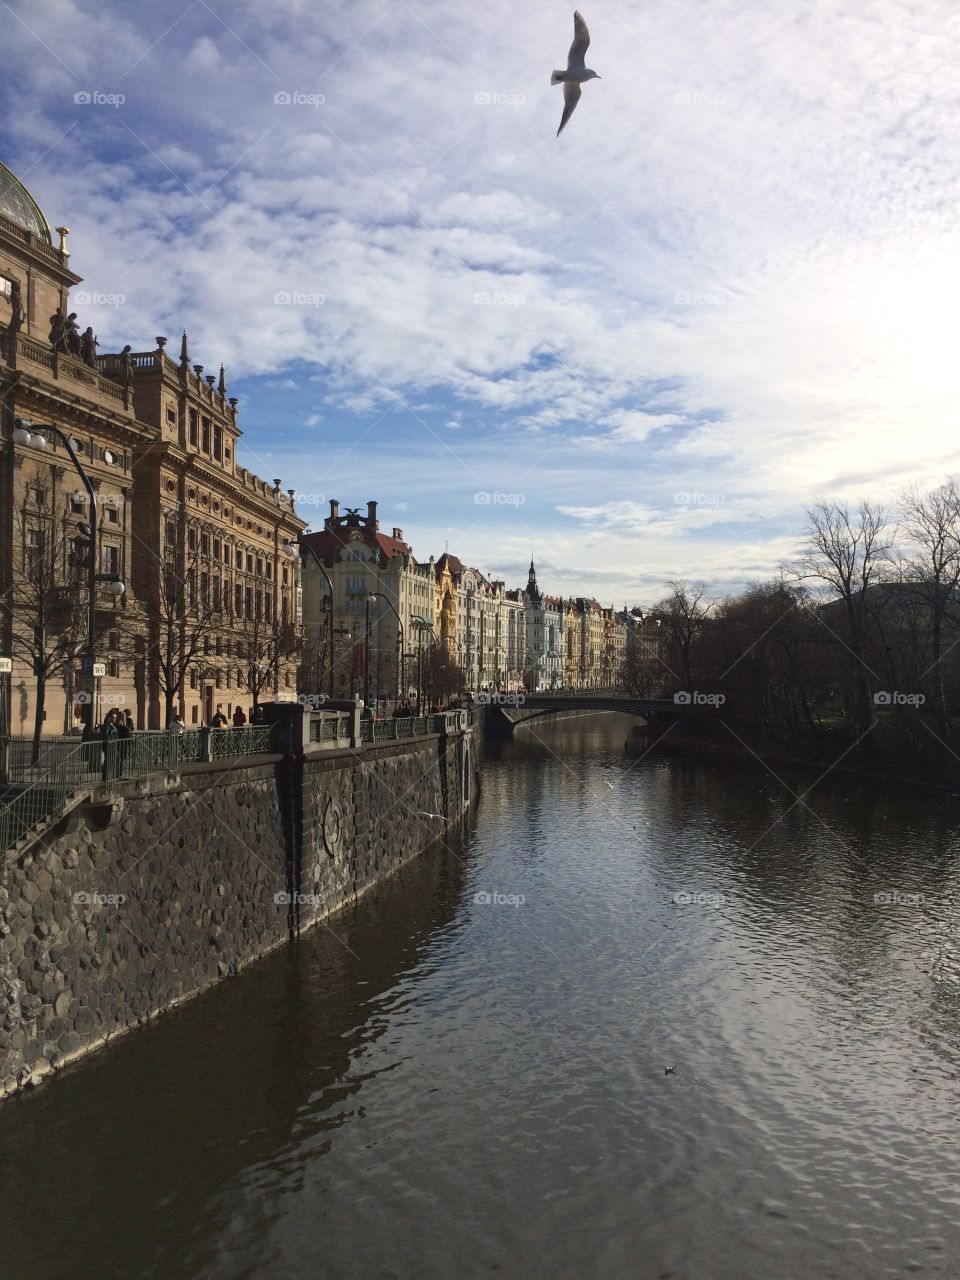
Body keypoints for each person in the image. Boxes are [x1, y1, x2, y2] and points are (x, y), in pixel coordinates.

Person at [100, 709, 119, 782]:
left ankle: (114, 775)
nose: (115, 719)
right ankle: (105, 778)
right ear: (109, 718)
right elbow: (104, 736)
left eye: (115, 717)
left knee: (117, 759)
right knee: (107, 761)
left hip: (114, 746)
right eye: (113, 717)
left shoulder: (113, 726)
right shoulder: (105, 726)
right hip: (108, 746)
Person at [116, 707, 133, 777]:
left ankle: (120, 772)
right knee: (120, 759)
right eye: (122, 716)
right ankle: (118, 773)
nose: (124, 717)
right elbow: (126, 729)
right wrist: (123, 721)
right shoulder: (117, 723)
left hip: (126, 742)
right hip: (120, 743)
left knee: (123, 758)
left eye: (124, 716)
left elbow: (130, 729)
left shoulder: (128, 721)